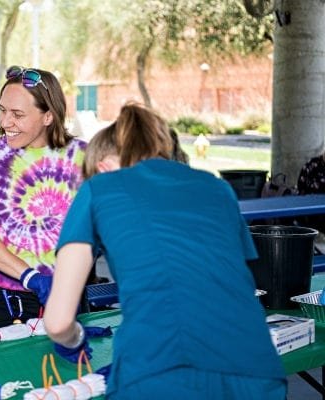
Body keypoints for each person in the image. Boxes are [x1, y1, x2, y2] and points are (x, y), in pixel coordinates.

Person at [44, 102, 286, 399]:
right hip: (256, 368)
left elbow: (58, 322)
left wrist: (74, 339)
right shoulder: (217, 187)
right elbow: (231, 279)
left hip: (161, 367)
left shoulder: (100, 188)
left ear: (102, 167)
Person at [0, 66, 87, 331]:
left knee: (70, 372)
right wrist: (31, 277)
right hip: (2, 300)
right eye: (3, 110)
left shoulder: (84, 157)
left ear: (48, 116)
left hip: (68, 293)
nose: (5, 122)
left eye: (17, 114)